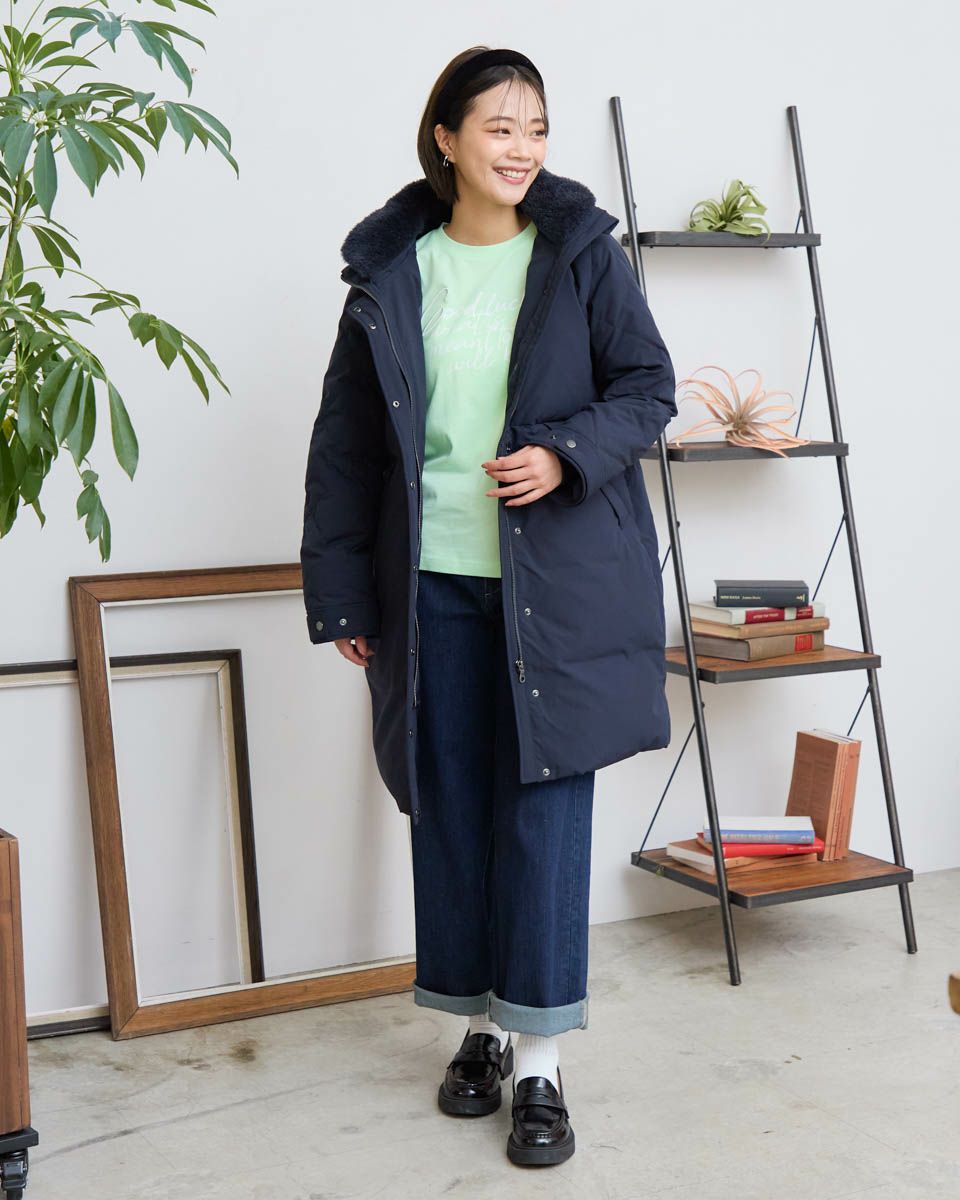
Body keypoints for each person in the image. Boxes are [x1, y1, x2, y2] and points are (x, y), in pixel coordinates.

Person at [300, 45, 677, 1167]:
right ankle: (481, 1028)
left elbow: (648, 388)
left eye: (537, 128)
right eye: (500, 126)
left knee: (544, 819)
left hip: (555, 592)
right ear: (447, 139)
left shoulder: (581, 255)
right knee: (454, 812)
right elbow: (346, 448)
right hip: (430, 588)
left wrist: (564, 455)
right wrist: (344, 595)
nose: (522, 148)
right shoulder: (393, 273)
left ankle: (543, 1060)